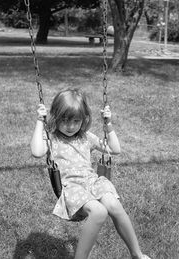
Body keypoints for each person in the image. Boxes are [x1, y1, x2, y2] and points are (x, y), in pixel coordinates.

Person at [30, 88, 150, 259]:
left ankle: (137, 254)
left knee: (114, 205)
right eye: (65, 120)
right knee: (99, 212)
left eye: (76, 121)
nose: (70, 126)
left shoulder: (86, 137)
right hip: (71, 187)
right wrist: (39, 122)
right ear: (55, 116)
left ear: (84, 119)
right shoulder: (51, 139)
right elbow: (36, 151)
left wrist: (108, 124)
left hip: (92, 182)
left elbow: (115, 149)